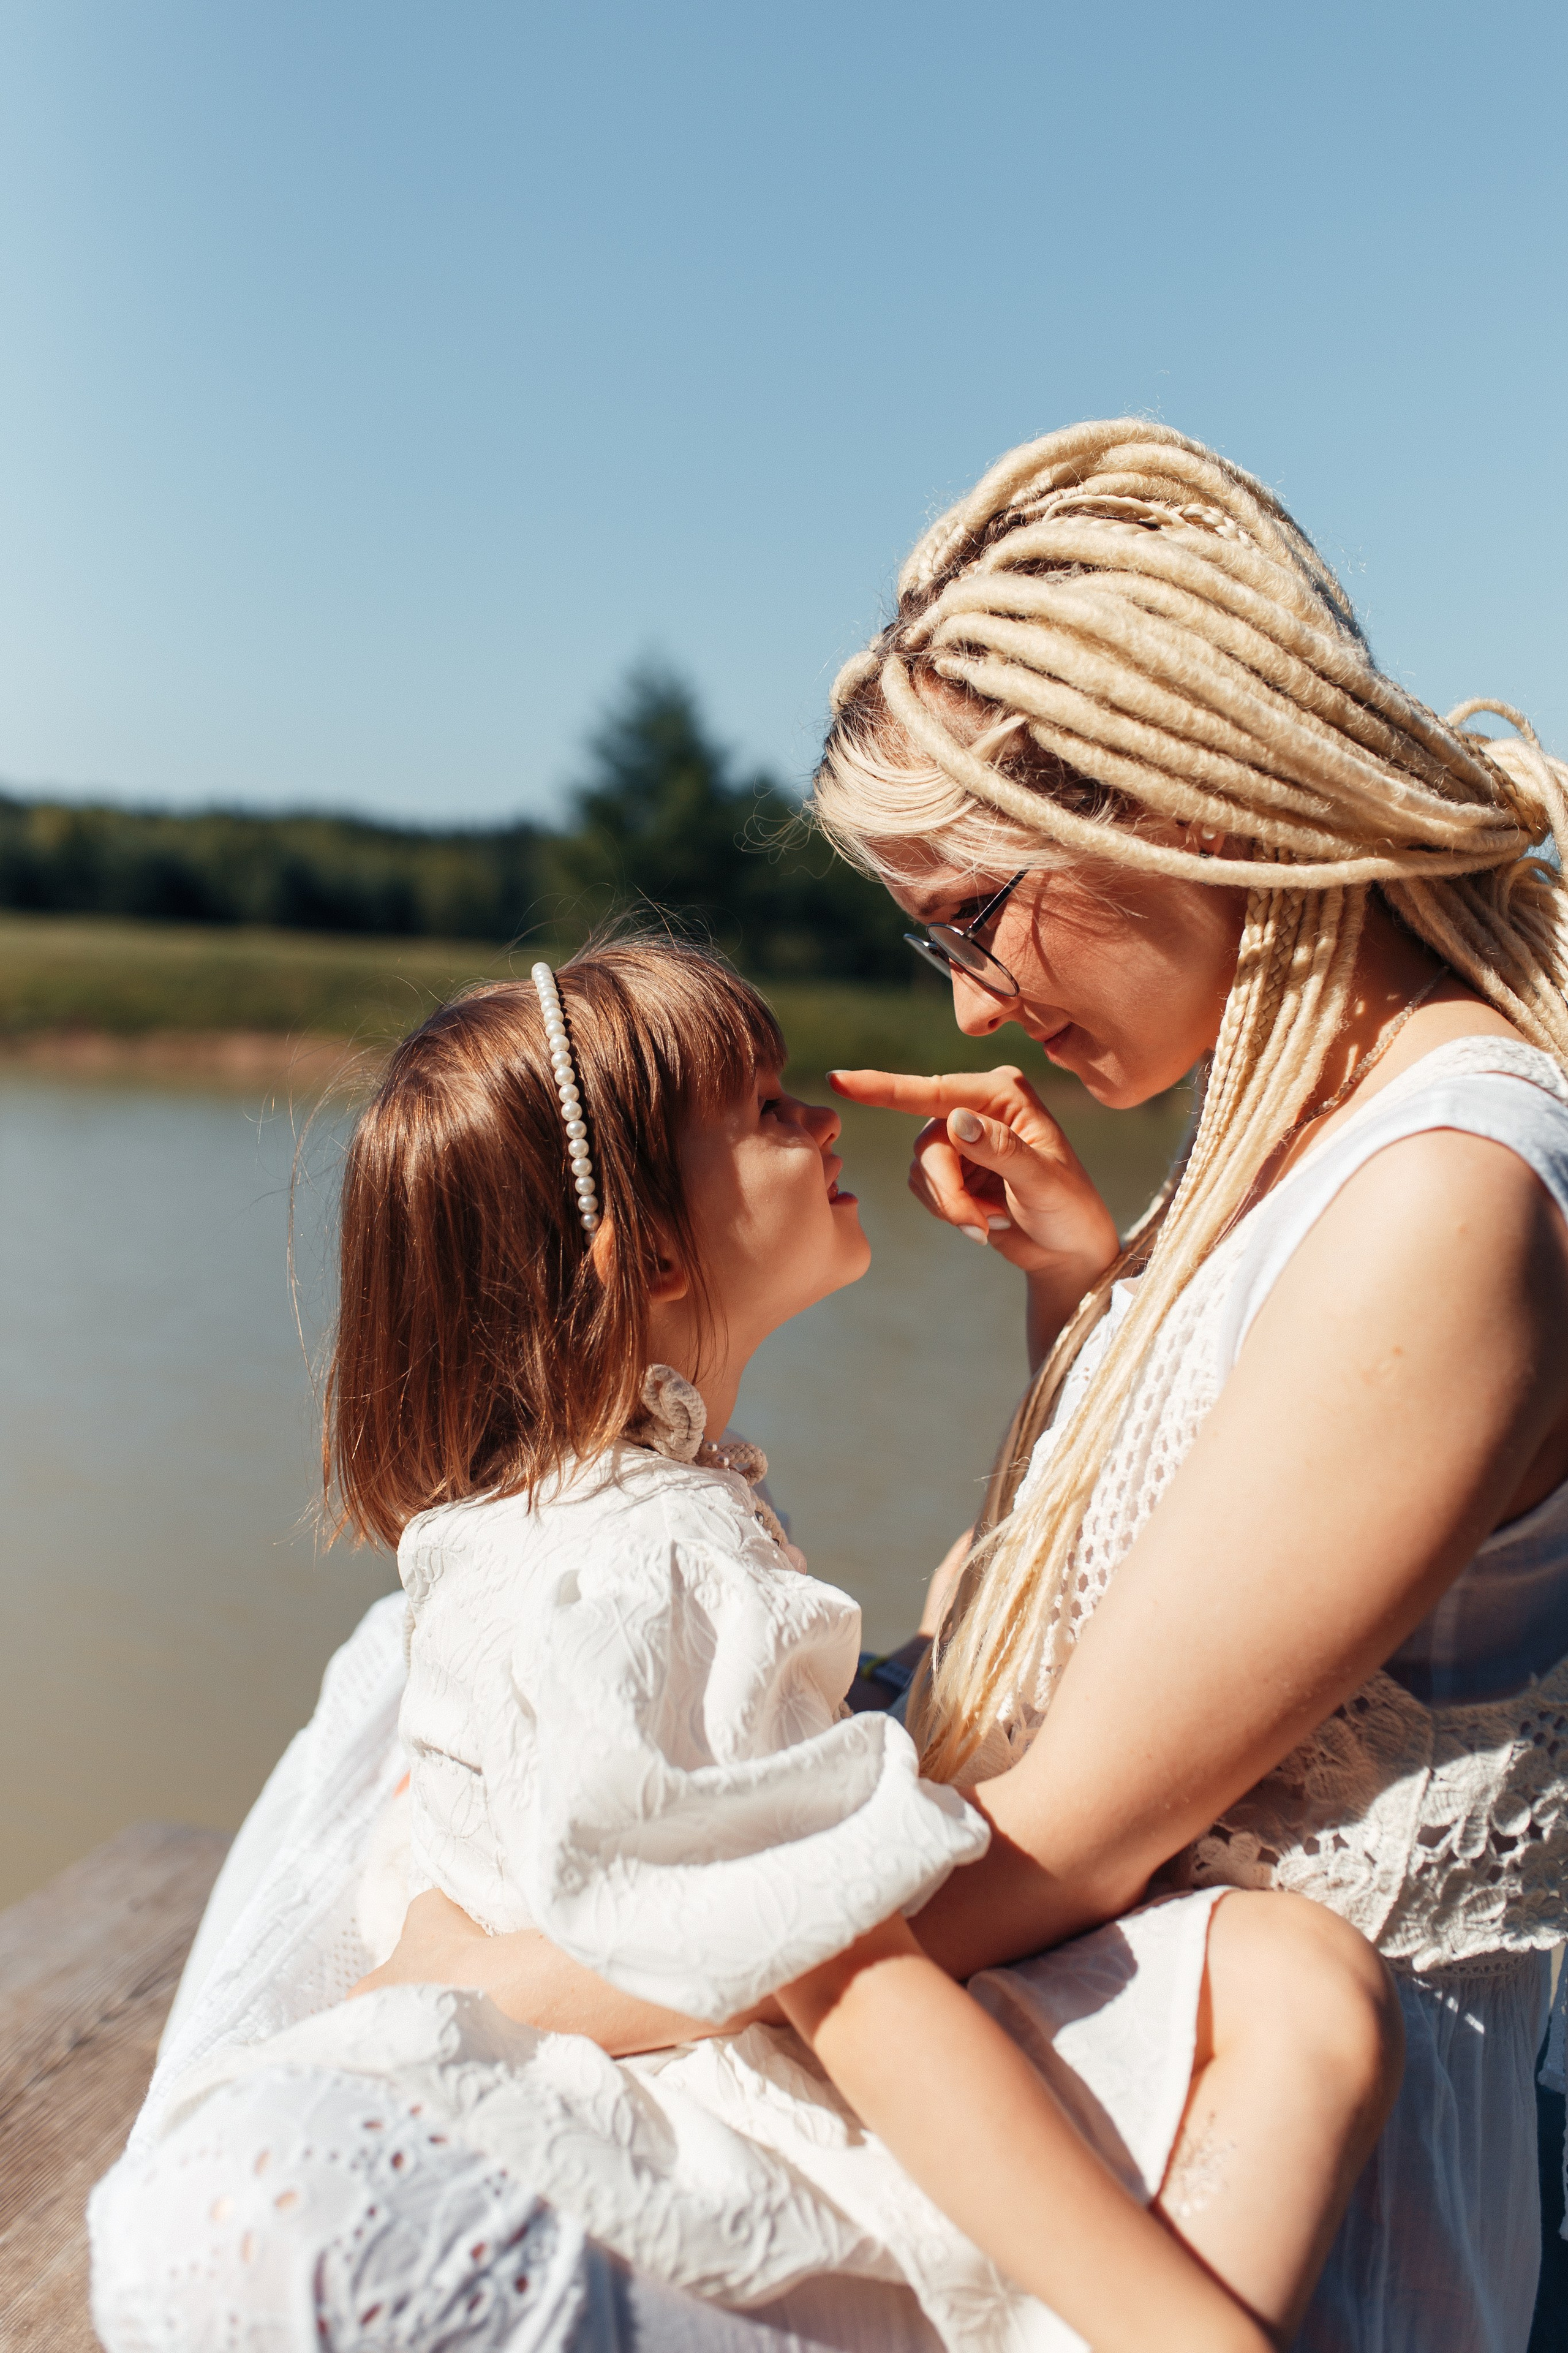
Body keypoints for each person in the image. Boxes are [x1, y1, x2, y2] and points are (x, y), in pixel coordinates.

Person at [89, 940, 1398, 2353]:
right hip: (687, 2143)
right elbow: (849, 1984)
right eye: (768, 1109)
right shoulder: (662, 1558)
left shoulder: (538, 1521)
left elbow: (957, 1620)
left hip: (547, 2065)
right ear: (649, 1250)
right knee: (1296, 1984)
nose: (821, 1121)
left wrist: (1066, 1285)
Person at [802, 418, 1568, 2350]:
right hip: (1152, 2087)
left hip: (1292, 2215)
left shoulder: (1452, 1190)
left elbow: (1082, 1825)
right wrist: (1088, 1289)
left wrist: (654, 1956)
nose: (969, 1004)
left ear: (1184, 807)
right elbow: (1197, 1610)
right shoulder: (1314, 1130)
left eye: (975, 913)